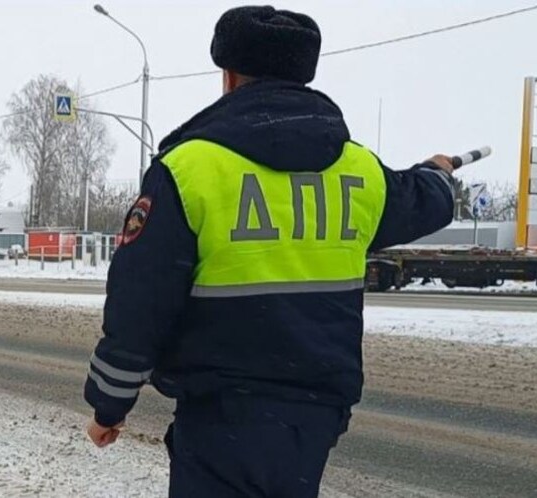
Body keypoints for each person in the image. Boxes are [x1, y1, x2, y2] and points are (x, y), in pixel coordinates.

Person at [83, 5, 456, 497]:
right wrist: (439, 174)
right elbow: (419, 199)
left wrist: (110, 405)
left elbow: (140, 299)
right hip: (314, 419)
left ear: (229, 75)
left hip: (222, 415)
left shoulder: (190, 168)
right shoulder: (358, 169)